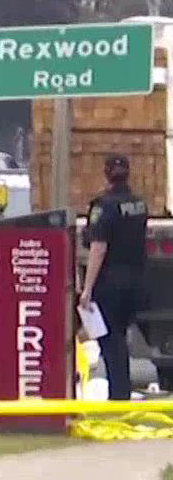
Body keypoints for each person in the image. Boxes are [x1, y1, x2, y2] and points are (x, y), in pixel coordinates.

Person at [80, 154, 149, 401]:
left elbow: (98, 248)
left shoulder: (103, 206)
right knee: (120, 338)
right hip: (135, 280)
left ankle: (118, 395)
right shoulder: (139, 203)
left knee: (110, 342)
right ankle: (121, 392)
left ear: (106, 173)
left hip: (110, 282)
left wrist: (86, 289)